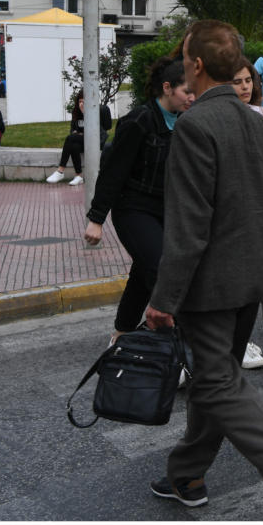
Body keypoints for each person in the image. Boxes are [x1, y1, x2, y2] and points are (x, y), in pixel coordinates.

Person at [144, 19, 263, 522]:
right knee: (212, 378)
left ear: (197, 65)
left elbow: (188, 227)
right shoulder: (255, 120)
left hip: (209, 285)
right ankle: (188, 473)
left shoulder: (195, 126)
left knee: (218, 382)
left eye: (185, 56)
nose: (184, 63)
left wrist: (163, 299)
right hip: (252, 279)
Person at [85, 57, 193, 344]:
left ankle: (122, 333)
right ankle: (174, 343)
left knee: (143, 271)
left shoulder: (187, 121)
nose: (192, 98)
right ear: (167, 88)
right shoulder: (139, 121)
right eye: (187, 91)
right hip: (134, 208)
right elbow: (113, 171)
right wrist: (96, 219)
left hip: (169, 211)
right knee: (161, 269)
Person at [229, 59, 263, 371]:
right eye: (238, 81)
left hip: (259, 206)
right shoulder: (218, 119)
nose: (245, 86)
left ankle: (243, 339)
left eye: (249, 80)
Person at [46, 90, 113, 187]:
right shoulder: (76, 113)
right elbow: (73, 131)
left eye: (84, 102)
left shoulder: (98, 111)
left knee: (70, 138)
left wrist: (86, 114)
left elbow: (99, 130)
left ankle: (60, 171)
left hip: (96, 141)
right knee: (74, 146)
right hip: (81, 141)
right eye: (80, 102)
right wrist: (76, 133)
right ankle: (79, 176)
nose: (81, 104)